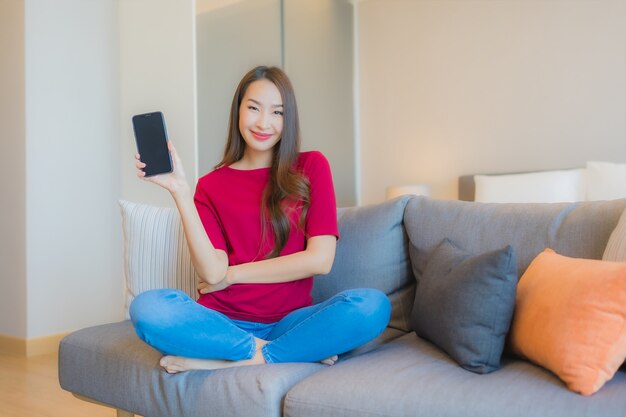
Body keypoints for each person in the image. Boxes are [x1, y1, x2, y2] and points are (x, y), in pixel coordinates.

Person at [129, 65, 391, 373]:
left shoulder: (311, 167)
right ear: (238, 110)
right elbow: (213, 273)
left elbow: (319, 260)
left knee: (372, 306)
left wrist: (235, 274)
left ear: (287, 118)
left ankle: (234, 360)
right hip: (223, 324)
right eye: (254, 108)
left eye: (277, 113)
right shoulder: (210, 185)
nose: (264, 122)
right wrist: (181, 193)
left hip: (290, 322)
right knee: (148, 309)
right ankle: (280, 353)